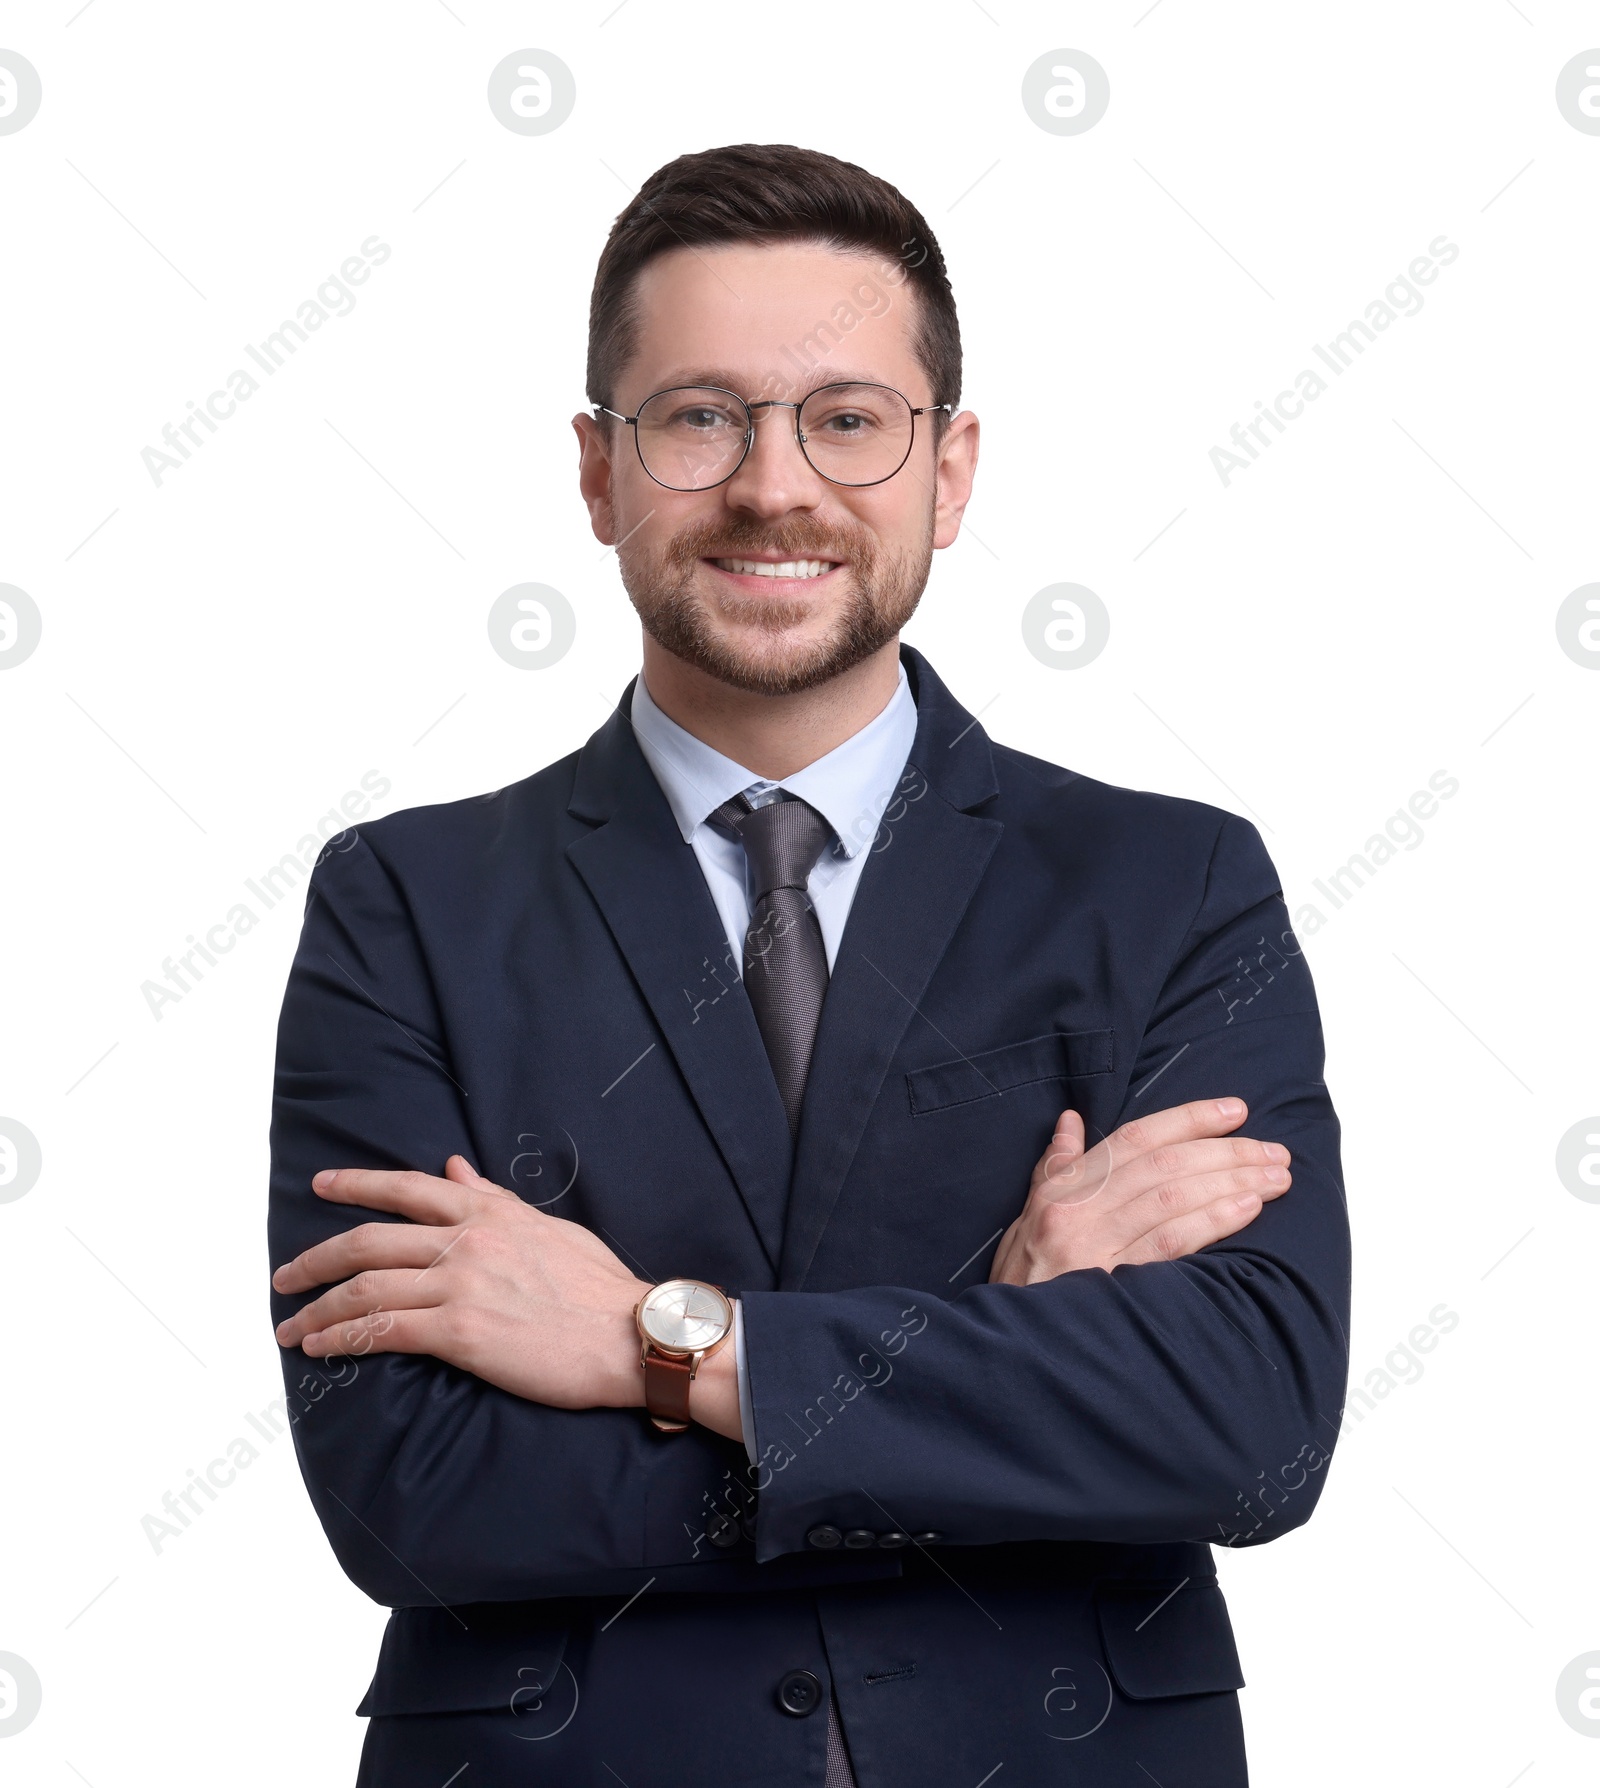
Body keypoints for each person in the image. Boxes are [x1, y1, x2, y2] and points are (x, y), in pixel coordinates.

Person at [268, 142, 1351, 1787]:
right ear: (597, 471)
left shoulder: (1171, 882)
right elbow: (412, 1495)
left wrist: (665, 1348)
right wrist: (995, 1344)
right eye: (701, 416)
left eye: (848, 419)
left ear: (952, 469)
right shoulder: (406, 900)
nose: (777, 487)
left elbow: (1249, 1431)